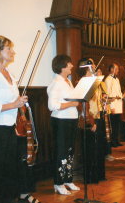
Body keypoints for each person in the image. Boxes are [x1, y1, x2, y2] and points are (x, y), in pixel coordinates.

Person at [0, 35, 28, 203]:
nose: (13, 52)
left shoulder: (9, 74)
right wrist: (13, 104)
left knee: (9, 169)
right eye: (8, 49)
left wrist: (21, 105)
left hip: (10, 128)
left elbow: (15, 100)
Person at [47, 55, 80, 195]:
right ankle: (58, 183)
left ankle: (67, 180)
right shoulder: (56, 83)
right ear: (62, 67)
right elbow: (52, 105)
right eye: (69, 64)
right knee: (61, 152)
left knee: (69, 152)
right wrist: (72, 104)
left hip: (71, 120)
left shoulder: (68, 81)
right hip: (61, 121)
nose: (72, 66)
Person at [77, 58, 107, 183]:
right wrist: (92, 122)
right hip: (89, 119)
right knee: (89, 150)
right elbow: (83, 105)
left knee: (99, 148)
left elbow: (96, 100)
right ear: (86, 68)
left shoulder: (95, 81)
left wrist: (103, 99)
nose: (95, 66)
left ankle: (99, 174)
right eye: (92, 64)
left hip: (98, 116)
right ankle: (90, 177)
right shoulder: (83, 82)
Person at [104, 63, 123, 147]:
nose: (118, 70)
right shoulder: (108, 79)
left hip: (118, 104)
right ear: (112, 69)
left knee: (117, 124)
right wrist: (111, 107)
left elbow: (119, 91)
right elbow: (107, 94)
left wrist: (121, 96)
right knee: (113, 125)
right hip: (113, 105)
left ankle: (116, 140)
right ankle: (112, 141)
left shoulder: (117, 79)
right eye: (116, 69)